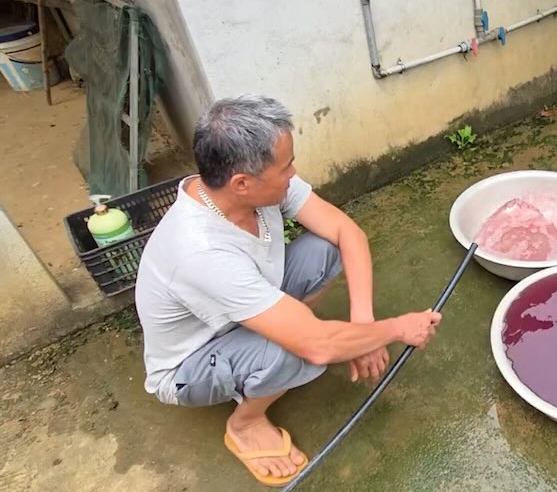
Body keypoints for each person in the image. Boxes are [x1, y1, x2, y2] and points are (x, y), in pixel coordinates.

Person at [135, 95, 442, 486]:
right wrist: (396, 328)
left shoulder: (247, 187)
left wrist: (363, 325)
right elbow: (317, 346)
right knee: (299, 349)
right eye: (286, 167)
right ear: (242, 183)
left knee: (324, 250)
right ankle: (245, 423)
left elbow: (347, 231)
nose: (293, 172)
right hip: (190, 364)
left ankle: (274, 354)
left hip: (240, 310)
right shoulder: (200, 251)